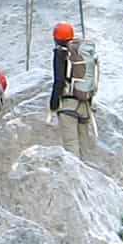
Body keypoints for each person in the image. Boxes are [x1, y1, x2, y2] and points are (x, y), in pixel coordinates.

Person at [49, 20, 96, 156]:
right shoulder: (80, 53)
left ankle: (76, 176)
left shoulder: (60, 54)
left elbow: (59, 81)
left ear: (55, 37)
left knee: (71, 145)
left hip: (69, 104)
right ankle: (90, 174)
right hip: (85, 103)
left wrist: (53, 104)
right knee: (84, 145)